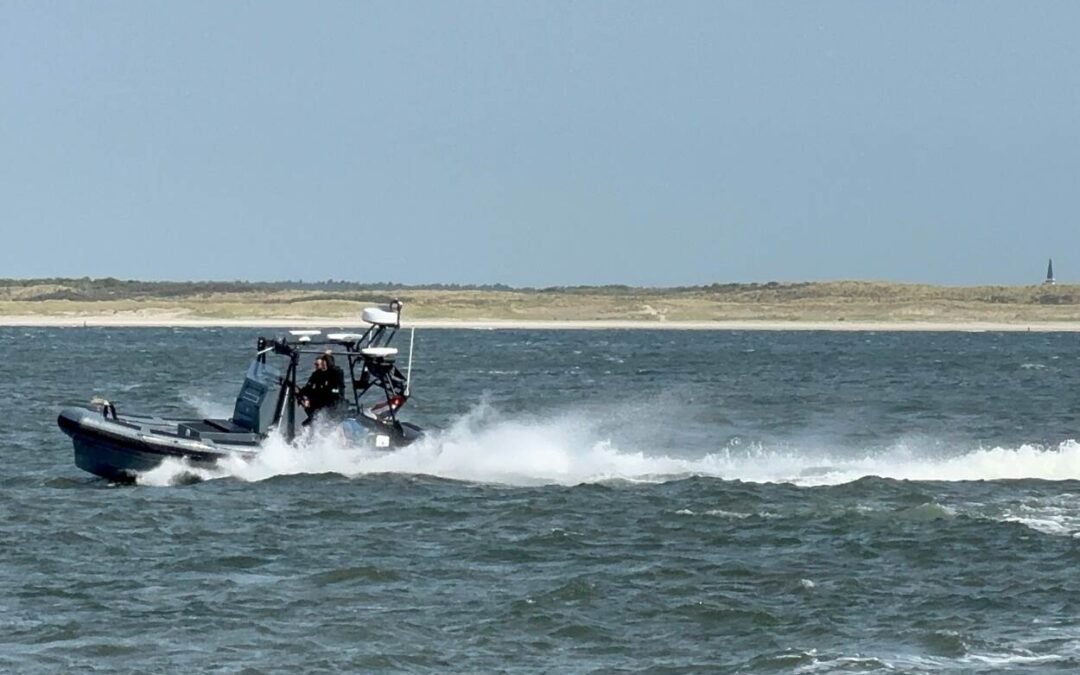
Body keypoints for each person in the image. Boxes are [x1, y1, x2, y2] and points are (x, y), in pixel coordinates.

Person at [298, 355, 343, 425]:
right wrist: (306, 398)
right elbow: (307, 388)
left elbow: (335, 391)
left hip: (332, 404)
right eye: (315, 364)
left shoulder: (335, 373)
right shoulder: (316, 375)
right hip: (318, 404)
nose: (316, 367)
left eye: (318, 364)